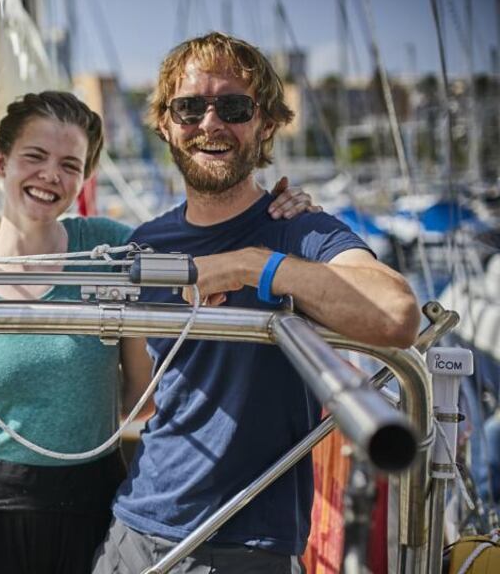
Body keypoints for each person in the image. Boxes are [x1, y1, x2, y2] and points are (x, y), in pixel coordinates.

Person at [0, 90, 318, 574]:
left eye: (69, 164)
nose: (50, 174)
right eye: (35, 156)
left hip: (89, 506)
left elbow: (201, 255)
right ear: (1, 161)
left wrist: (283, 214)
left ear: (83, 178)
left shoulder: (110, 250)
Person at [90, 33, 420, 574]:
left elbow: (397, 313)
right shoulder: (146, 243)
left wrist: (252, 265)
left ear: (265, 124)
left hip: (244, 545)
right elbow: (139, 399)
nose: (210, 123)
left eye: (234, 107)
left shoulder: (299, 230)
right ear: (166, 125)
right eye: (190, 108)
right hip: (133, 528)